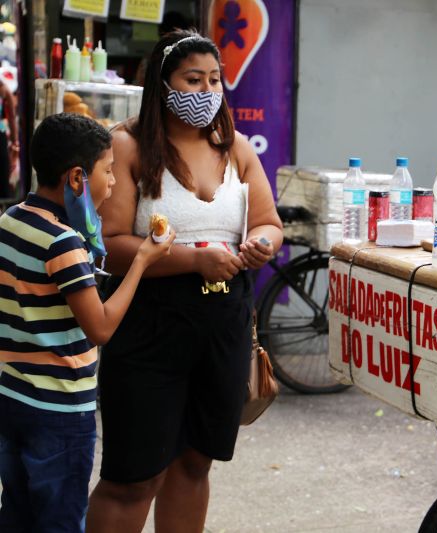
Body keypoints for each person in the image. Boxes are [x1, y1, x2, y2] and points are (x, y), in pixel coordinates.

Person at [86, 30, 283, 532]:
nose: (206, 92)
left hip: (224, 322)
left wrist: (262, 243)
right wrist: (193, 261)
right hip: (151, 322)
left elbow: (267, 222)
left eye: (214, 80)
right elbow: (109, 246)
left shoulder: (234, 146)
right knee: (134, 476)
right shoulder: (127, 145)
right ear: (163, 84)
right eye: (192, 80)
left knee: (196, 461)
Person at [0, 113, 174, 531]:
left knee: (18, 517)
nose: (112, 182)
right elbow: (101, 328)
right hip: (59, 410)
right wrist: (142, 262)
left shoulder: (11, 220)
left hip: (11, 398)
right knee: (60, 521)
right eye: (108, 171)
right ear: (77, 178)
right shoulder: (64, 244)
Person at [0, 79, 18, 199]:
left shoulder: (4, 90)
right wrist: (14, 140)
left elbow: (11, 118)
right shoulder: (4, 89)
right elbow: (11, 118)